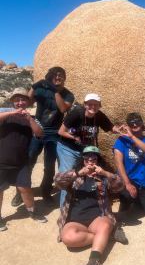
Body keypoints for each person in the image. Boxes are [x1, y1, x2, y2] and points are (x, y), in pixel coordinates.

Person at [54, 146, 126, 265]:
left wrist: (105, 173)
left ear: (98, 160)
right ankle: (107, 237)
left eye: (94, 158)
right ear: (83, 160)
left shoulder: (103, 178)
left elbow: (120, 185)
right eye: (87, 158)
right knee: (68, 239)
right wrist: (78, 172)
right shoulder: (75, 176)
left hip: (97, 218)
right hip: (76, 219)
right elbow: (57, 180)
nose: (90, 161)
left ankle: (93, 264)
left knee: (105, 226)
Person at [11, 66, 74, 208]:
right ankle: (20, 192)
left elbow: (63, 108)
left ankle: (46, 191)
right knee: (28, 162)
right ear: (50, 77)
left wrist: (55, 90)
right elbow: (27, 103)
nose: (57, 78)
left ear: (64, 78)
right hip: (36, 130)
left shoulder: (68, 95)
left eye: (60, 76)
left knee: (49, 165)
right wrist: (34, 86)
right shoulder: (40, 90)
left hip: (53, 134)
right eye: (54, 76)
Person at [57, 93, 120, 208]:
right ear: (85, 105)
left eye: (96, 104)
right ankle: (64, 212)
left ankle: (82, 206)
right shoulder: (77, 114)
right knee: (69, 177)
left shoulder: (98, 116)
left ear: (99, 106)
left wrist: (118, 130)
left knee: (85, 176)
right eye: (90, 104)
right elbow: (61, 132)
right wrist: (74, 137)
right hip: (68, 148)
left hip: (84, 151)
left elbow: (110, 126)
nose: (93, 107)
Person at [0, 88, 47, 231]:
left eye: (23, 99)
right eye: (17, 100)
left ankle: (32, 211)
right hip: (1, 161)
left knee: (25, 188)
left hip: (21, 162)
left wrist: (30, 119)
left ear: (28, 102)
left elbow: (39, 133)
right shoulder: (4, 113)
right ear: (12, 101)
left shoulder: (32, 118)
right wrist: (12, 113)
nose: (20, 103)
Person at [113, 112, 145, 216]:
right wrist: (127, 183)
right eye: (131, 123)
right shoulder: (121, 140)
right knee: (127, 195)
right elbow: (118, 162)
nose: (135, 125)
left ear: (142, 123)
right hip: (128, 178)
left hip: (143, 180)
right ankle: (125, 206)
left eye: (137, 122)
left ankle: (135, 204)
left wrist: (132, 137)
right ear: (128, 126)